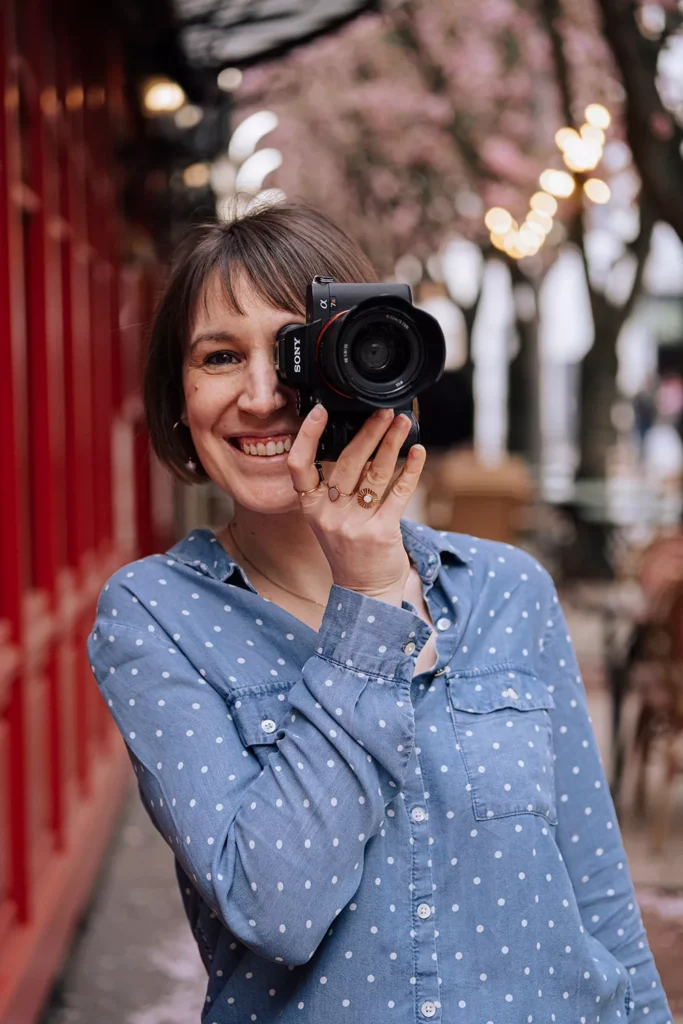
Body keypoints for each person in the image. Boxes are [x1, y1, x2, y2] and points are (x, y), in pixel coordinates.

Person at [88, 201, 672, 1023]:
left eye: (295, 354)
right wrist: (366, 601)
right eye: (220, 356)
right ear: (178, 398)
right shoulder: (156, 617)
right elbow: (274, 908)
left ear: (364, 362)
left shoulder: (505, 590)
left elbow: (596, 892)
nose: (261, 396)